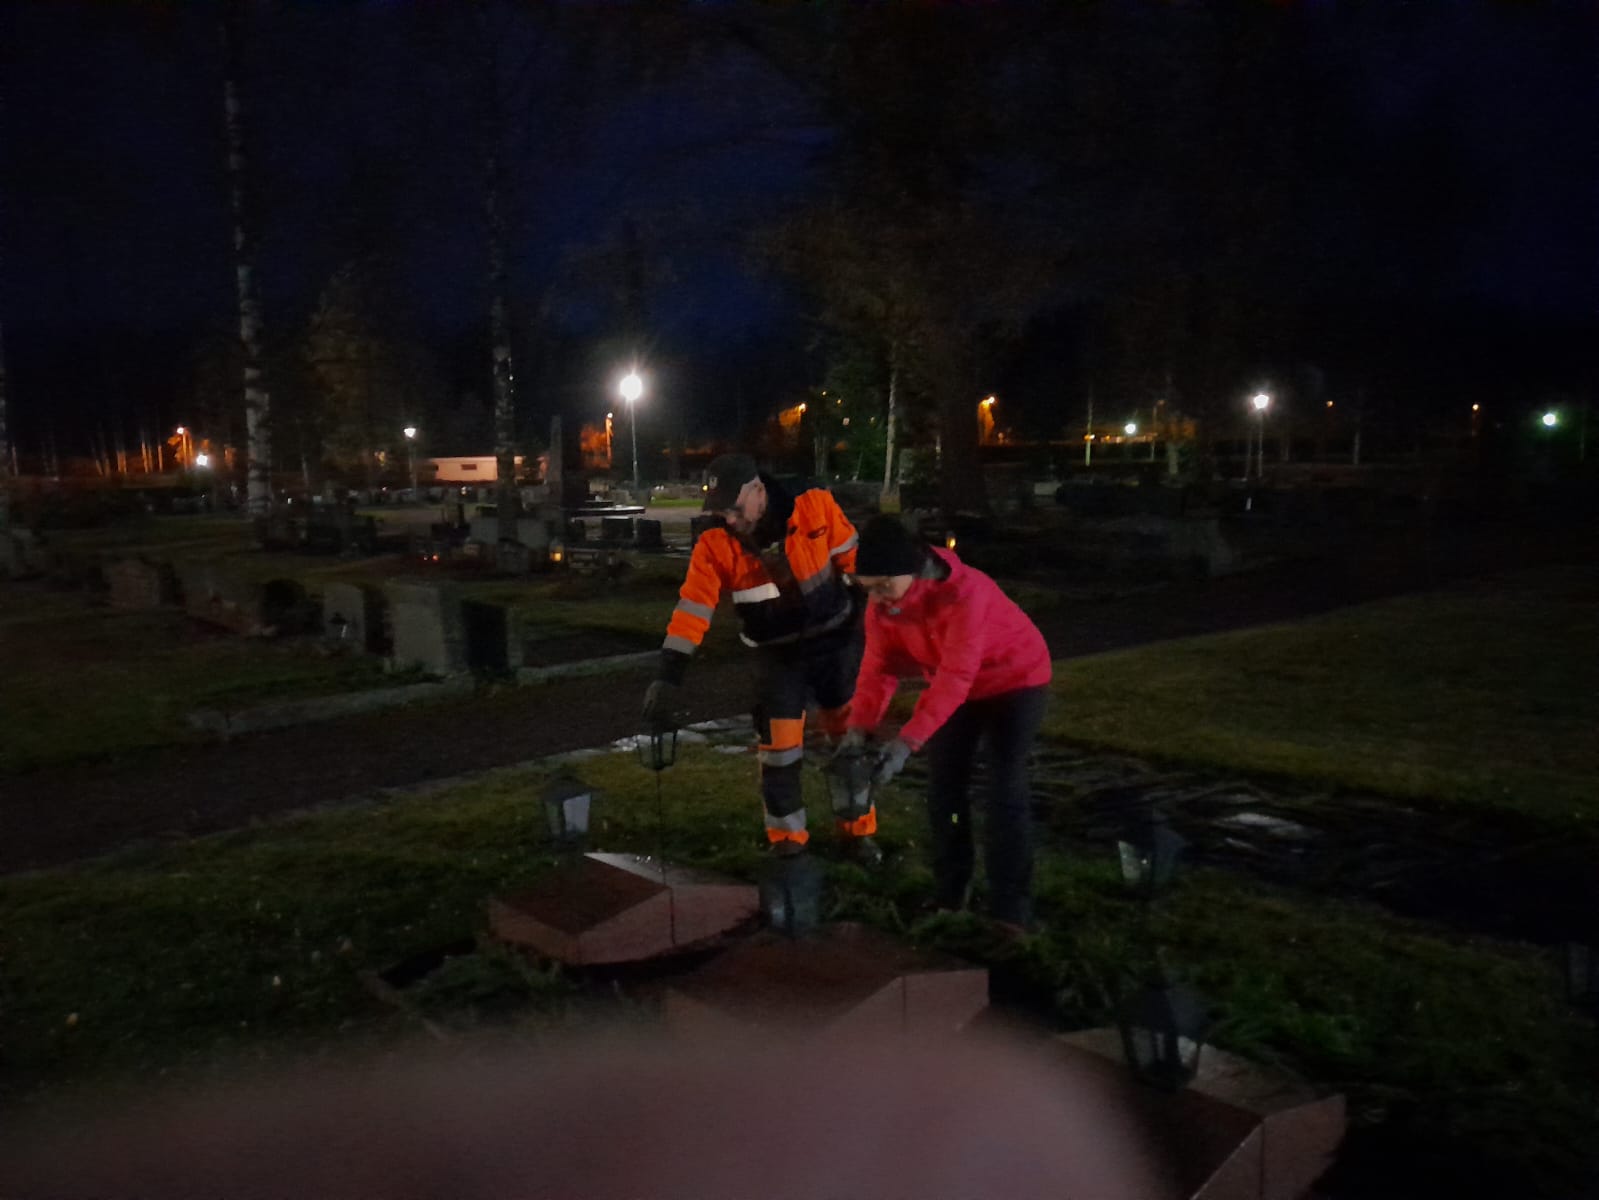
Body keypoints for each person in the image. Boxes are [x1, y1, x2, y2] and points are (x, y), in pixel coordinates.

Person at [644, 454, 877, 860]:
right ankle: (788, 844)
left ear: (757, 490)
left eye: (735, 510)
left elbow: (855, 561)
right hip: (777, 658)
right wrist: (668, 674)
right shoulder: (714, 544)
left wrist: (881, 615)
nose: (730, 520)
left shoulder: (814, 504)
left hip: (835, 646)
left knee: (849, 745)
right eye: (721, 512)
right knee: (779, 753)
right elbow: (692, 610)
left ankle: (857, 834)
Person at [843, 515, 1052, 929]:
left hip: (1017, 681)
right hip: (958, 689)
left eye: (883, 586)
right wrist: (857, 730)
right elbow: (878, 669)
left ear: (911, 570)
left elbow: (956, 676)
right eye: (868, 589)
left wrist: (907, 742)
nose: (877, 598)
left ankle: (1010, 910)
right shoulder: (886, 603)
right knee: (944, 791)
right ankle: (951, 893)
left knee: (1004, 789)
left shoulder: (966, 593)